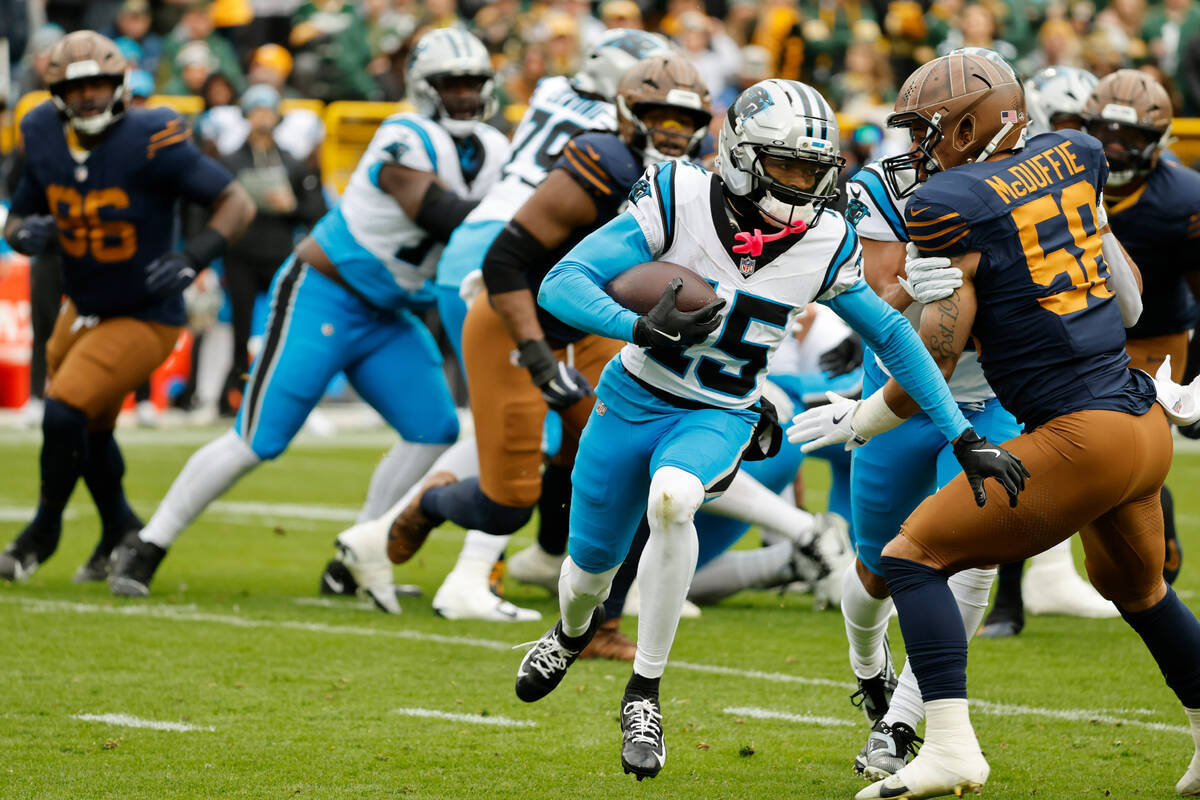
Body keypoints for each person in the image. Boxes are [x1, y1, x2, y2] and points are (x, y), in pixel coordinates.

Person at [514, 78, 1025, 781]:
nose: (801, 184)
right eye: (785, 166)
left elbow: (895, 340)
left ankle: (645, 693)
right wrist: (635, 326)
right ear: (739, 156)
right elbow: (561, 282)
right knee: (584, 577)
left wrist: (961, 434)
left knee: (673, 499)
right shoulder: (678, 196)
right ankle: (572, 632)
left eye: (814, 171)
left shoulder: (825, 237)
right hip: (632, 396)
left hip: (721, 411)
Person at [790, 51, 1196, 800]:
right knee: (1137, 590)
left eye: (928, 131)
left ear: (970, 125)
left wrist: (859, 418)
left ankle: (944, 746)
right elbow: (1132, 309)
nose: (918, 148)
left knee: (912, 557)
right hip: (1141, 425)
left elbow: (928, 371)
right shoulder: (1073, 155)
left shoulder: (950, 202)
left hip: (1082, 434)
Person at [108, 28, 510, 596]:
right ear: (426, 88)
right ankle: (149, 543)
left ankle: (354, 558)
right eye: (453, 83)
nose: (467, 95)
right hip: (325, 291)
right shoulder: (405, 134)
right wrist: (521, 213)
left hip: (388, 311)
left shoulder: (494, 148)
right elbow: (440, 211)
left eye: (475, 83)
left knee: (434, 430)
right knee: (258, 439)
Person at [319, 29, 676, 614]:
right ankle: (465, 572)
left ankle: (538, 556)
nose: (670, 117)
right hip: (519, 259)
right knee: (524, 420)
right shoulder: (609, 136)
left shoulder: (554, 91)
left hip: (526, 254)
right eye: (658, 97)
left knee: (580, 420)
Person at [388, 53, 713, 629]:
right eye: (659, 115)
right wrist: (538, 358)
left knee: (635, 457)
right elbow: (504, 261)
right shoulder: (602, 160)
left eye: (684, 121)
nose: (672, 131)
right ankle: (432, 500)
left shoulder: (690, 181)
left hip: (593, 324)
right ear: (627, 114)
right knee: (505, 505)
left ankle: (601, 621)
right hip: (516, 316)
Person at [0, 31, 255, 582]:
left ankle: (40, 533)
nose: (89, 96)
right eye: (77, 86)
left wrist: (194, 256)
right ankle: (120, 527)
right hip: (82, 305)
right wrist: (25, 234)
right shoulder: (41, 132)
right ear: (57, 93)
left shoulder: (151, 134)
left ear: (120, 86)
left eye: (99, 84)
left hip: (145, 312)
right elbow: (17, 216)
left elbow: (236, 201)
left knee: (65, 407)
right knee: (88, 428)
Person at [977, 64, 1122, 640]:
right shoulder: (983, 188)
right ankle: (1013, 594)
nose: (1067, 138)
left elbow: (1131, 303)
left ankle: (1064, 580)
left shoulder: (1090, 177)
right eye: (1058, 121)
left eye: (1076, 125)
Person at [1084, 69, 1200, 589]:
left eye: (1130, 138)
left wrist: (1195, 378)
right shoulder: (1060, 181)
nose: (1115, 148)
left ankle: (1155, 551)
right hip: (1080, 337)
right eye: (1105, 133)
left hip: (1155, 339)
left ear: (1157, 143)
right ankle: (1011, 600)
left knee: (1133, 457)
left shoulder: (1183, 199)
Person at [217, 84, 326, 414]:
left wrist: (291, 206)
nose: (262, 117)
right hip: (241, 255)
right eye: (256, 110)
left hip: (279, 253)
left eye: (268, 110)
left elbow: (316, 212)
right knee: (240, 328)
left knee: (286, 326)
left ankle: (284, 392)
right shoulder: (231, 160)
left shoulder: (292, 162)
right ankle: (233, 395)